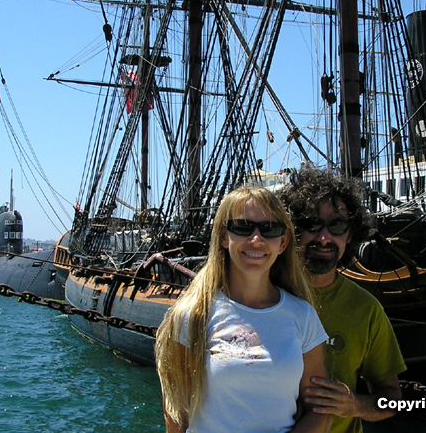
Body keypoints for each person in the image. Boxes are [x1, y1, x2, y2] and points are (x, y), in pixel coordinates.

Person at [155, 186, 331, 433]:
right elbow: (175, 414)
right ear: (225, 238)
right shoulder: (193, 315)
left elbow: (319, 408)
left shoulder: (303, 316)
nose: (256, 239)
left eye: (269, 229)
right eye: (242, 227)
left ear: (283, 242)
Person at [280, 167, 406, 433]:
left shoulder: (365, 309)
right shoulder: (265, 295)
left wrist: (354, 406)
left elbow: (392, 398)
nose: (324, 237)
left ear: (350, 235)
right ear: (292, 231)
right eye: (311, 224)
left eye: (336, 225)